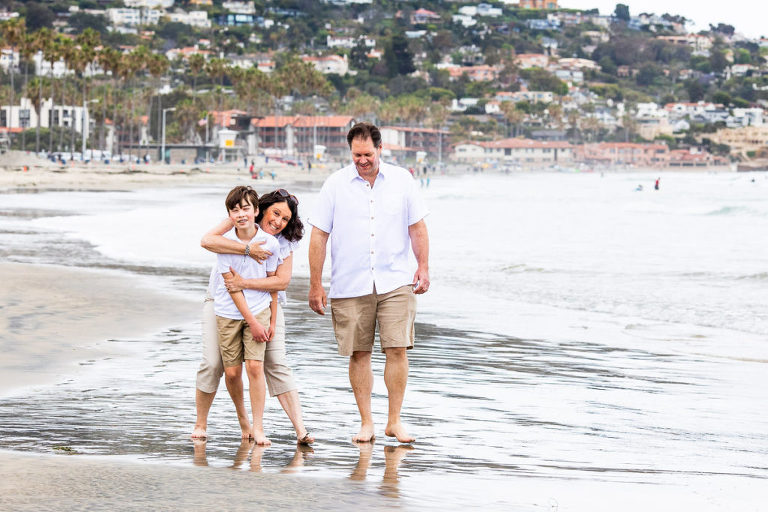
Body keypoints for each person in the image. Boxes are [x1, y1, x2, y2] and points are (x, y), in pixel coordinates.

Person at [308, 122, 430, 444]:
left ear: (380, 149)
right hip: (350, 282)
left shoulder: (403, 180)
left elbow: (417, 227)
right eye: (356, 154)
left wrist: (424, 267)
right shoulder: (335, 184)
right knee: (359, 353)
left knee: (397, 349)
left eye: (367, 154)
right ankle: (366, 423)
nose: (361, 160)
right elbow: (319, 235)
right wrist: (316, 284)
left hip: (395, 280)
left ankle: (394, 421)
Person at [192, 189, 314, 445]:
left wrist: (245, 283)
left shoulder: (284, 242)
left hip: (266, 303)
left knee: (275, 362)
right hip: (221, 300)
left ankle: (301, 429)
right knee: (215, 364)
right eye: (275, 213)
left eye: (285, 218)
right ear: (262, 209)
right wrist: (247, 249)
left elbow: (281, 281)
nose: (278, 221)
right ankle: (206, 422)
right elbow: (207, 241)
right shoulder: (242, 216)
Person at [213, 185, 281, 445]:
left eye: (245, 208)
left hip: (260, 308)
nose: (240, 214)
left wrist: (271, 320)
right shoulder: (224, 244)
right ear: (229, 214)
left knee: (255, 367)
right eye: (234, 210)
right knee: (232, 373)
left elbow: (272, 283)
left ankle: (259, 426)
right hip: (228, 312)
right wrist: (251, 322)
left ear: (255, 211)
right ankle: (243, 419)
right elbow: (232, 287)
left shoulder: (270, 243)